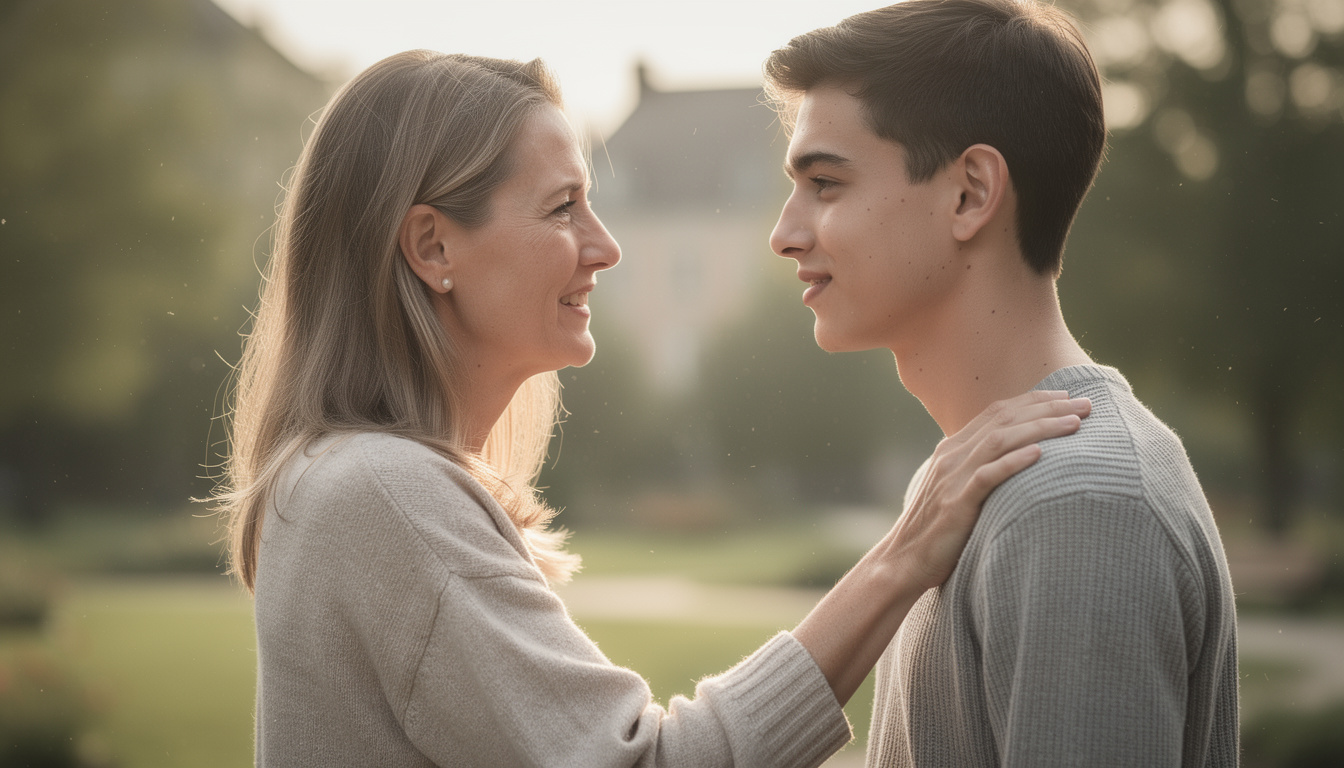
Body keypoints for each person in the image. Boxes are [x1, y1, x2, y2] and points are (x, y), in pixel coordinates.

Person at [214, 50, 1091, 766]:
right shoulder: (381, 494)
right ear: (432, 246)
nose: (606, 246)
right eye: (563, 209)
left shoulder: (350, 484)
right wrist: (900, 561)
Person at [763, 1, 1238, 765]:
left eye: (825, 183)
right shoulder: (973, 479)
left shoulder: (1080, 505)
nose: (784, 233)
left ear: (970, 193)